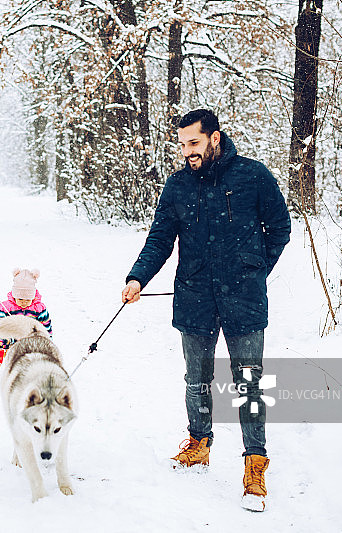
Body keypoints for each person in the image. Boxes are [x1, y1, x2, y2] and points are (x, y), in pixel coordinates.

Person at [121, 109, 291, 511]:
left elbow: (280, 228)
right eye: (182, 145)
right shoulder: (178, 185)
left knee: (249, 382)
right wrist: (137, 278)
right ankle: (199, 444)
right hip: (195, 294)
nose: (187, 153)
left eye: (194, 143)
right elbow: (160, 239)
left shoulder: (252, 176)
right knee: (196, 378)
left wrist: (254, 269)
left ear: (215, 137)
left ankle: (255, 463)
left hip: (244, 297)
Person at [0, 268, 52, 385]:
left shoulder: (39, 309)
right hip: (9, 338)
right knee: (0, 337)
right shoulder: (6, 307)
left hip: (29, 341)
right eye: (20, 298)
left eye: (27, 299)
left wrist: (47, 342)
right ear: (14, 295)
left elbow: (46, 327)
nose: (23, 302)